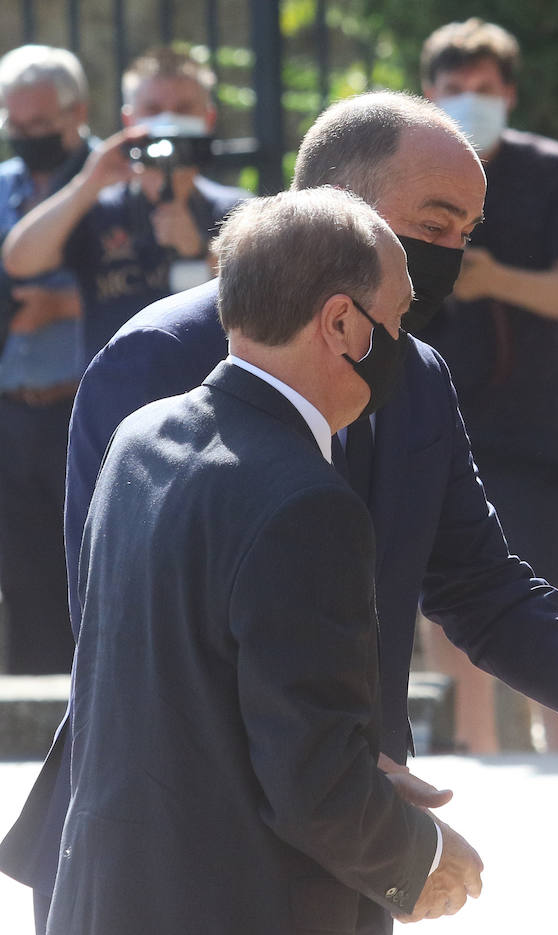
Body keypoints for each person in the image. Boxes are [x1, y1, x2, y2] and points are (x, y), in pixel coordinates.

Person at [0, 91, 558, 935]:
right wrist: (339, 779)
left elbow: (480, 582)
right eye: (436, 222)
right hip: (174, 851)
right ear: (340, 214)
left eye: (466, 232)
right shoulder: (158, 361)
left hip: (343, 843)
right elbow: (126, 628)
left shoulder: (415, 373)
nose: (453, 254)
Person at [47, 187, 484, 932]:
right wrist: (424, 856)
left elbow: (177, 688)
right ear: (342, 323)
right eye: (399, 319)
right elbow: (312, 784)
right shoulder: (308, 503)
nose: (407, 346)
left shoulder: (142, 438)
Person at [414, 18, 558, 754]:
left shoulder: (550, 171)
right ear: (428, 94)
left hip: (527, 417)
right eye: (454, 89)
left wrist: (498, 280)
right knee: (442, 598)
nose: (470, 101)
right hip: (431, 408)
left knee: (544, 587)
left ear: (511, 94)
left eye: (485, 90)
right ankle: (477, 750)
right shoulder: (400, 170)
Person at [1, 47, 248, 363]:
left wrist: (201, 250)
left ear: (208, 117)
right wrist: (88, 182)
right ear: (129, 119)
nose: (168, 120)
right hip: (114, 395)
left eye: (184, 108)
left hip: (203, 390)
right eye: (153, 108)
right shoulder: (99, 207)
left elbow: (265, 300)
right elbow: (20, 261)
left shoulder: (235, 209)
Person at [0, 45, 93, 674]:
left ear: (76, 112)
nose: (27, 137)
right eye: (16, 125)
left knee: (91, 574)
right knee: (24, 578)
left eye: (40, 125)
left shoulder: (111, 180)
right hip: (12, 417)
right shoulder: (3, 185)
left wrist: (64, 307)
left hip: (84, 411)